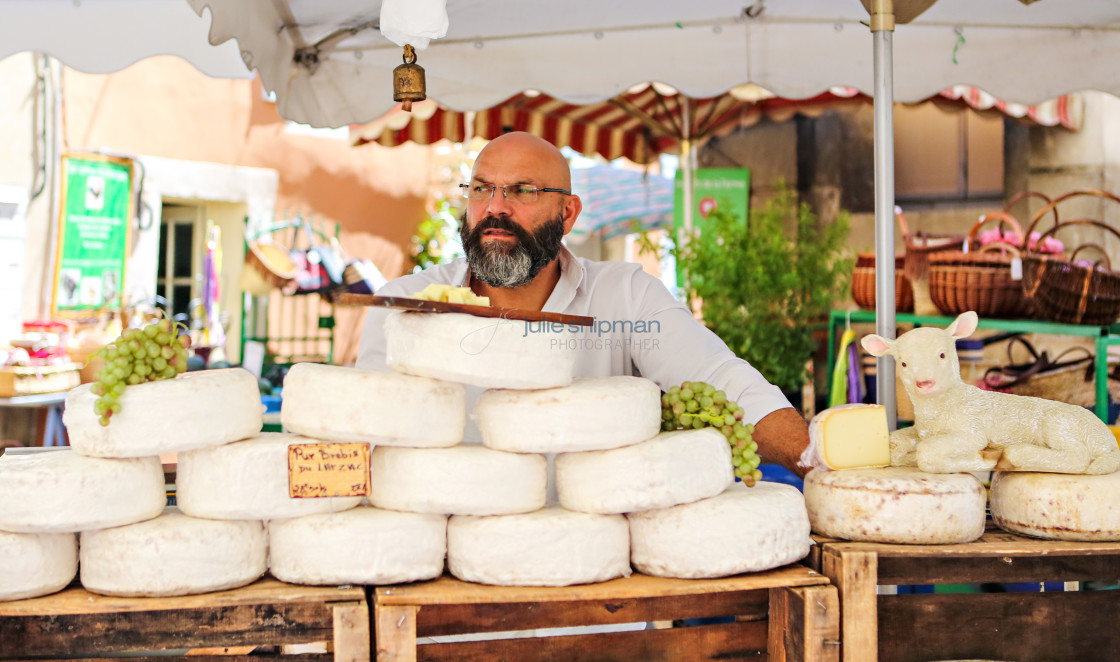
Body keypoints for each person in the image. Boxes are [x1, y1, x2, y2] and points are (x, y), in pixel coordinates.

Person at [357, 131, 811, 476]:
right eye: (482, 189)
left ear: (568, 213)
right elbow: (366, 433)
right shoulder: (406, 306)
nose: (496, 208)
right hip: (451, 560)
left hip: (601, 568)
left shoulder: (625, 295)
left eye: (523, 190)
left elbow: (719, 379)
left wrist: (812, 459)